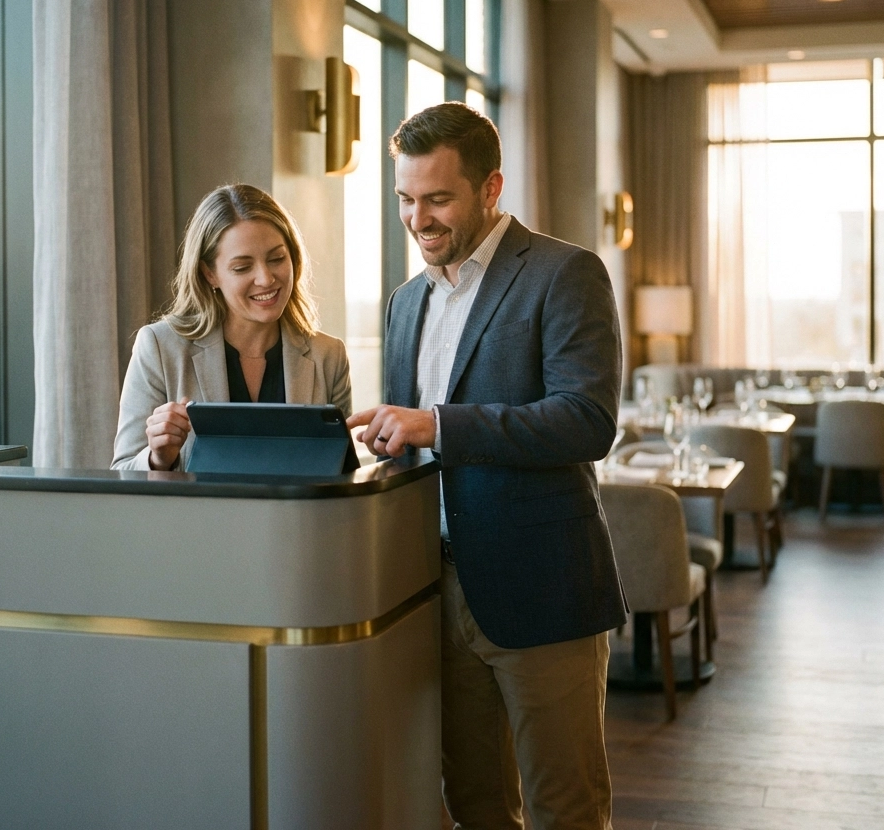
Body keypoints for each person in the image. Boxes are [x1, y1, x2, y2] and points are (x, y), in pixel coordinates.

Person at [348, 103, 625, 830]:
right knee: (473, 803)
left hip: (542, 585)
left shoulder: (565, 273)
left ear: (490, 187)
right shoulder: (405, 303)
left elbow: (587, 420)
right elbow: (416, 436)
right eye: (405, 199)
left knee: (566, 806)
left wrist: (436, 425)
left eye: (438, 198)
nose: (418, 219)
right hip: (432, 591)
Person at [113, 183, 351, 471]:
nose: (265, 279)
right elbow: (123, 473)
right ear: (209, 273)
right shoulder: (160, 347)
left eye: (277, 259)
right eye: (242, 267)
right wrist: (158, 458)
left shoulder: (329, 356)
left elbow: (342, 477)